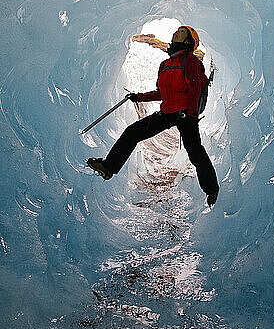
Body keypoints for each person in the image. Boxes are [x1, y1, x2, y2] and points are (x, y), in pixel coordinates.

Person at [87, 25, 219, 207]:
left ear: (189, 42)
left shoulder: (191, 61)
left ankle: (211, 190)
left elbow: (195, 90)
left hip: (185, 115)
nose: (176, 32)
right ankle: (108, 167)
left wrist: (190, 115)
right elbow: (162, 93)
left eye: (182, 33)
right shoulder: (165, 65)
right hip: (168, 113)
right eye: (177, 31)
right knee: (133, 132)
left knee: (195, 153)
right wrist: (138, 97)